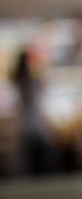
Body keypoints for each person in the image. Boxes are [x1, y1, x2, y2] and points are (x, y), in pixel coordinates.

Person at [10, 47, 57, 176]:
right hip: (36, 127)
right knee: (40, 165)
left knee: (30, 167)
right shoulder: (33, 82)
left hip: (24, 127)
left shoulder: (18, 81)